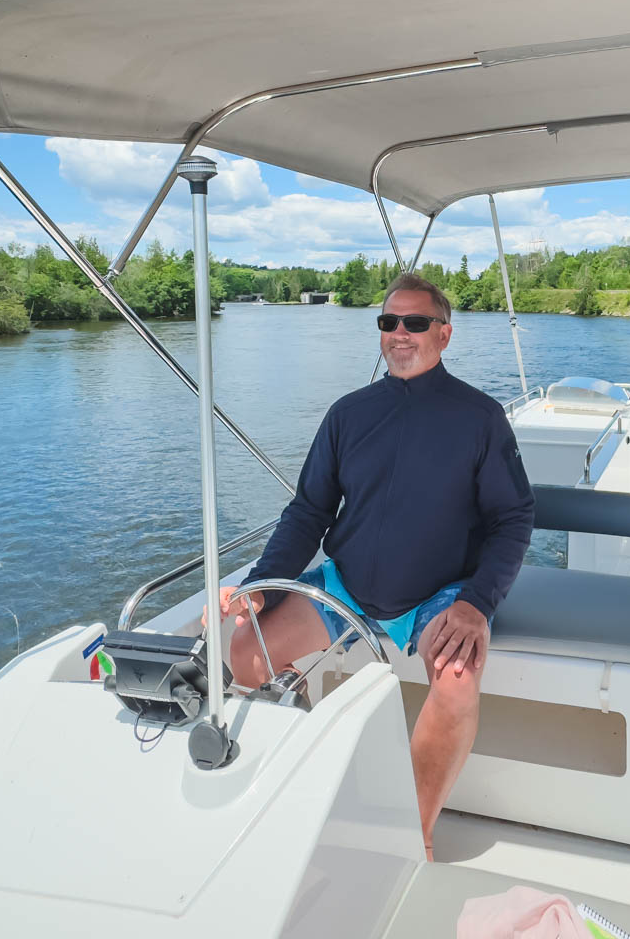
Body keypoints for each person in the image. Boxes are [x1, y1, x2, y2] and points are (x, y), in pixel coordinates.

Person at [209, 272, 535, 859]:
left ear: (444, 335)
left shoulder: (480, 418)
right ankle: (309, 780)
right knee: (246, 652)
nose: (400, 334)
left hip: (439, 592)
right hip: (349, 584)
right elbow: (309, 512)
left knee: (458, 684)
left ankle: (413, 828)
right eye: (389, 322)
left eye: (416, 322)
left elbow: (513, 520)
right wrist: (261, 587)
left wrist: (476, 602)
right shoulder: (348, 414)